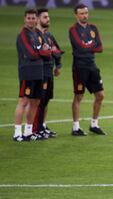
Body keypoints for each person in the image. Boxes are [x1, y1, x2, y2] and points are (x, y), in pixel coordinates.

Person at [14, 8, 52, 142]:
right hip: (27, 71)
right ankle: (17, 133)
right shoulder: (23, 35)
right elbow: (31, 54)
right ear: (25, 19)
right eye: (29, 18)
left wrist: (42, 52)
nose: (31, 20)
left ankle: (28, 132)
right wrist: (42, 52)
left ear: (36, 19)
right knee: (24, 101)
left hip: (38, 71)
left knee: (35, 101)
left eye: (33, 18)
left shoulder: (36, 34)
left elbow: (48, 54)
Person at [69, 3, 105, 136]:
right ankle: (75, 127)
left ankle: (94, 124)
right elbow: (80, 46)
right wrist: (90, 45)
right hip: (79, 67)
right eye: (82, 13)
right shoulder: (73, 30)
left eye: (86, 13)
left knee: (100, 95)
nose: (85, 16)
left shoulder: (93, 28)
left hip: (92, 65)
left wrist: (87, 46)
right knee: (79, 96)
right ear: (76, 15)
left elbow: (100, 47)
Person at [33, 8, 63, 138]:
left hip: (49, 72)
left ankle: (42, 126)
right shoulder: (35, 35)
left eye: (48, 17)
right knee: (40, 101)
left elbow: (57, 50)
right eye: (45, 17)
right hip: (40, 72)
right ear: (38, 19)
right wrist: (49, 51)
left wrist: (58, 65)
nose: (48, 19)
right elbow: (38, 53)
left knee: (46, 100)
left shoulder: (49, 35)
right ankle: (36, 129)